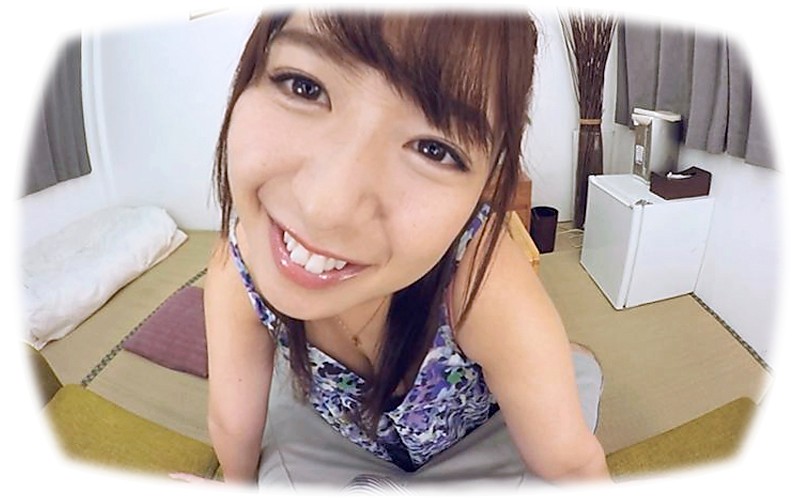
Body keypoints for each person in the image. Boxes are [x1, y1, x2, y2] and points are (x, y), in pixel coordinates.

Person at [199, 8, 609, 491]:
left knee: (558, 417)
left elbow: (571, 463)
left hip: (481, 436)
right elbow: (233, 426)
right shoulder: (239, 271)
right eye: (304, 86)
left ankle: (564, 359)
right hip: (342, 437)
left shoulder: (483, 280)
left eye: (433, 149)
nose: (325, 208)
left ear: (487, 183)